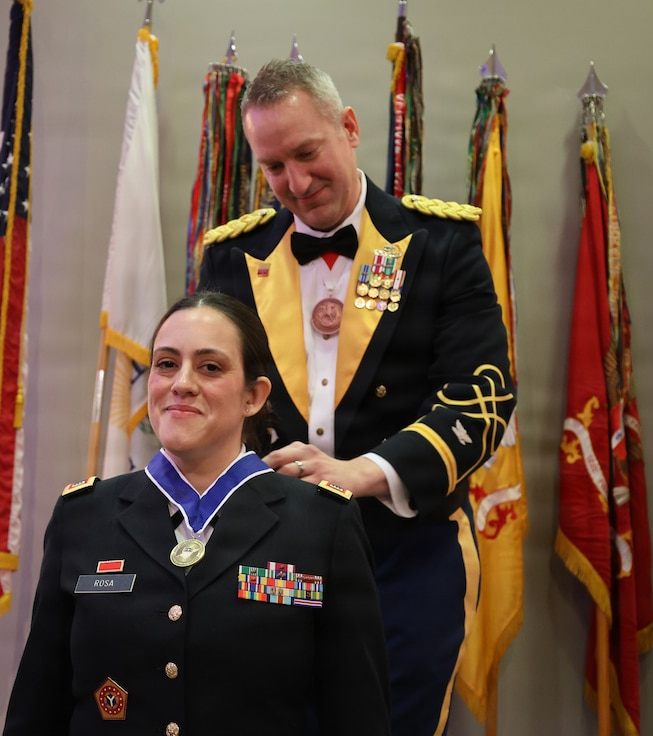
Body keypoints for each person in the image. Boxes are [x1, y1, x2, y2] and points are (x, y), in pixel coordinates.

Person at [198, 59, 515, 736]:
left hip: (403, 556)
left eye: (307, 154)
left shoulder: (442, 245)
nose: (296, 183)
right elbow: (209, 401)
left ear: (349, 127)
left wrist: (359, 475)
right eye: (274, 166)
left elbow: (481, 400)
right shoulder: (230, 257)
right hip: (268, 555)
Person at [4, 291, 390, 736]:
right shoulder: (83, 516)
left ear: (253, 396)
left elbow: (358, 715)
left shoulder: (321, 524)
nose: (181, 383)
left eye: (210, 367)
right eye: (166, 364)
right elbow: (38, 709)